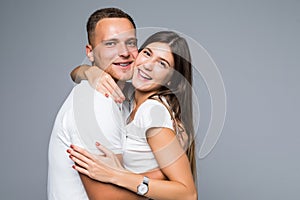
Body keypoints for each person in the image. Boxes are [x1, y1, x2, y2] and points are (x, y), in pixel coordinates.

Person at [48, 7, 165, 200]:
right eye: (111, 43)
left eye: (131, 43)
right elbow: (107, 197)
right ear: (91, 52)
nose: (125, 52)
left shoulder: (124, 96)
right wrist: (166, 171)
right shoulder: (95, 103)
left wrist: (85, 70)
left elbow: (75, 73)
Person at [67, 31, 198, 200]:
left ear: (171, 80)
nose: (148, 65)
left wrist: (116, 175)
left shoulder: (152, 112)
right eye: (147, 53)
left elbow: (188, 194)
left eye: (162, 64)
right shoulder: (131, 96)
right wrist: (91, 72)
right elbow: (74, 73)